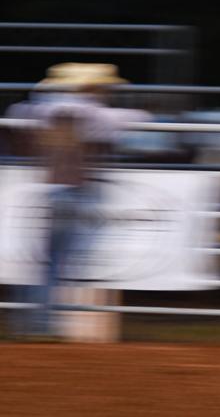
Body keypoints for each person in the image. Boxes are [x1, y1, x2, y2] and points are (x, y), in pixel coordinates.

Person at [5, 63, 149, 339]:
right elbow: (132, 121)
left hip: (52, 188)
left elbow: (19, 119)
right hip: (78, 189)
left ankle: (33, 322)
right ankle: (42, 322)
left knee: (48, 261)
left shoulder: (39, 111)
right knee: (64, 261)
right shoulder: (94, 113)